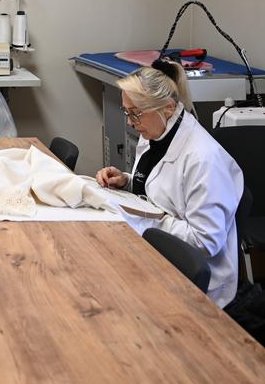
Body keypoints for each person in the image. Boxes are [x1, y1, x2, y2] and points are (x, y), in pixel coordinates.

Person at [95, 58, 244, 307]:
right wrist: (127, 182)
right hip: (152, 253)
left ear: (167, 107)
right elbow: (161, 188)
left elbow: (206, 241)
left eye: (136, 113)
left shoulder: (203, 159)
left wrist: (151, 217)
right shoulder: (156, 132)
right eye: (126, 111)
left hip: (197, 284)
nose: (130, 122)